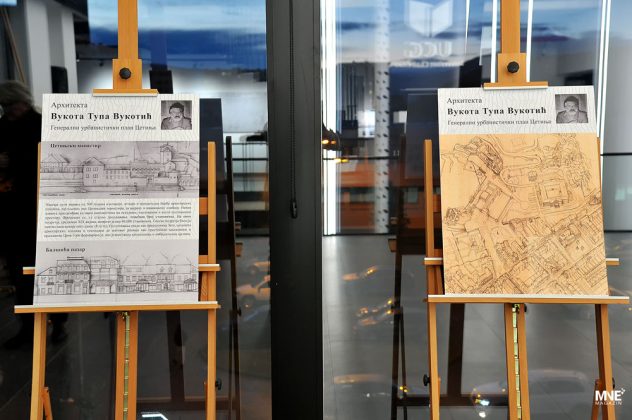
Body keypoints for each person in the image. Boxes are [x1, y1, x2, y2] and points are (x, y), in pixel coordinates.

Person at [0, 81, 68, 347]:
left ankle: (59, 324)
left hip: (41, 209)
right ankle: (28, 328)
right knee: (20, 273)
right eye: (5, 107)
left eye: (11, 105)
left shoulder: (41, 125)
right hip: (13, 211)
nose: (9, 111)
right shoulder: (5, 126)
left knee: (51, 270)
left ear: (22, 102)